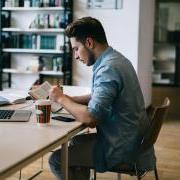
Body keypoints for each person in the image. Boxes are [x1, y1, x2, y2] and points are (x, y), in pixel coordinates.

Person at [48, 17, 156, 180]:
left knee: (57, 160)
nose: (76, 56)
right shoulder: (116, 59)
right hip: (133, 140)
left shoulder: (108, 69)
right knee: (76, 142)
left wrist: (62, 99)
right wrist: (70, 98)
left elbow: (91, 118)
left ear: (89, 43)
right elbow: (101, 96)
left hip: (122, 148)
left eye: (76, 49)